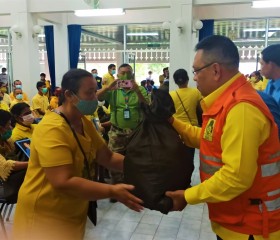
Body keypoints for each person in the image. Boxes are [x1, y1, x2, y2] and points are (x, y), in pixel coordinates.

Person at [165, 35, 280, 240]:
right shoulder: (225, 102)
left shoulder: (241, 108)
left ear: (216, 70)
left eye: (196, 71)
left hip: (251, 227)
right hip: (235, 220)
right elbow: (209, 139)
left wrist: (188, 196)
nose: (195, 78)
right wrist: (172, 123)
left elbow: (236, 177)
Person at [13, 69, 143, 240]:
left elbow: (108, 157)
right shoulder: (52, 128)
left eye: (95, 91)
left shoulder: (84, 122)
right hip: (43, 218)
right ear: (69, 95)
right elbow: (62, 181)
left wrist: (143, 166)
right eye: (89, 93)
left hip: (71, 213)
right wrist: (113, 190)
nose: (95, 98)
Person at [97, 63, 149, 199]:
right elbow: (97, 97)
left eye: (128, 72)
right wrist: (108, 87)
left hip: (136, 132)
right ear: (117, 75)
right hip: (117, 132)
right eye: (122, 73)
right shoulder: (113, 90)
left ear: (132, 74)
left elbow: (148, 106)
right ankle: (117, 190)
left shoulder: (140, 89)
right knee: (113, 160)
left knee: (136, 161)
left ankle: (134, 188)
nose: (125, 75)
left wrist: (137, 90)